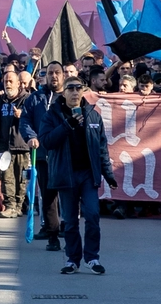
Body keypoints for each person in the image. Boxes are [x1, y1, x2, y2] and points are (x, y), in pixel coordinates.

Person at [39, 76, 116, 275]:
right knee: (71, 221)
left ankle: (92, 257)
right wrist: (68, 124)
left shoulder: (93, 114)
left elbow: (101, 148)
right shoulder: (52, 114)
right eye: (70, 89)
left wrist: (108, 174)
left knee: (93, 215)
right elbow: (47, 141)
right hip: (66, 175)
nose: (74, 92)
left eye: (78, 88)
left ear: (83, 91)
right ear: (63, 93)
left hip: (88, 174)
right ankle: (72, 260)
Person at [23, 63, 66, 250]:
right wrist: (31, 137)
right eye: (50, 73)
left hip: (65, 155)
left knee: (68, 195)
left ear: (63, 75)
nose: (54, 76)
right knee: (48, 196)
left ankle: (70, 233)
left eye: (57, 73)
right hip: (43, 155)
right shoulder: (35, 99)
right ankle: (52, 235)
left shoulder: (69, 97)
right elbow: (25, 120)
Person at [0, 69, 32, 218]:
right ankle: (9, 206)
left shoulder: (27, 99)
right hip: (5, 147)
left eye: (11, 81)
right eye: (5, 82)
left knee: (21, 179)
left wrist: (22, 115)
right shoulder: (1, 101)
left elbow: (34, 118)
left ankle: (19, 206)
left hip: (21, 145)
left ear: (18, 83)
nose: (8, 84)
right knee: (7, 177)